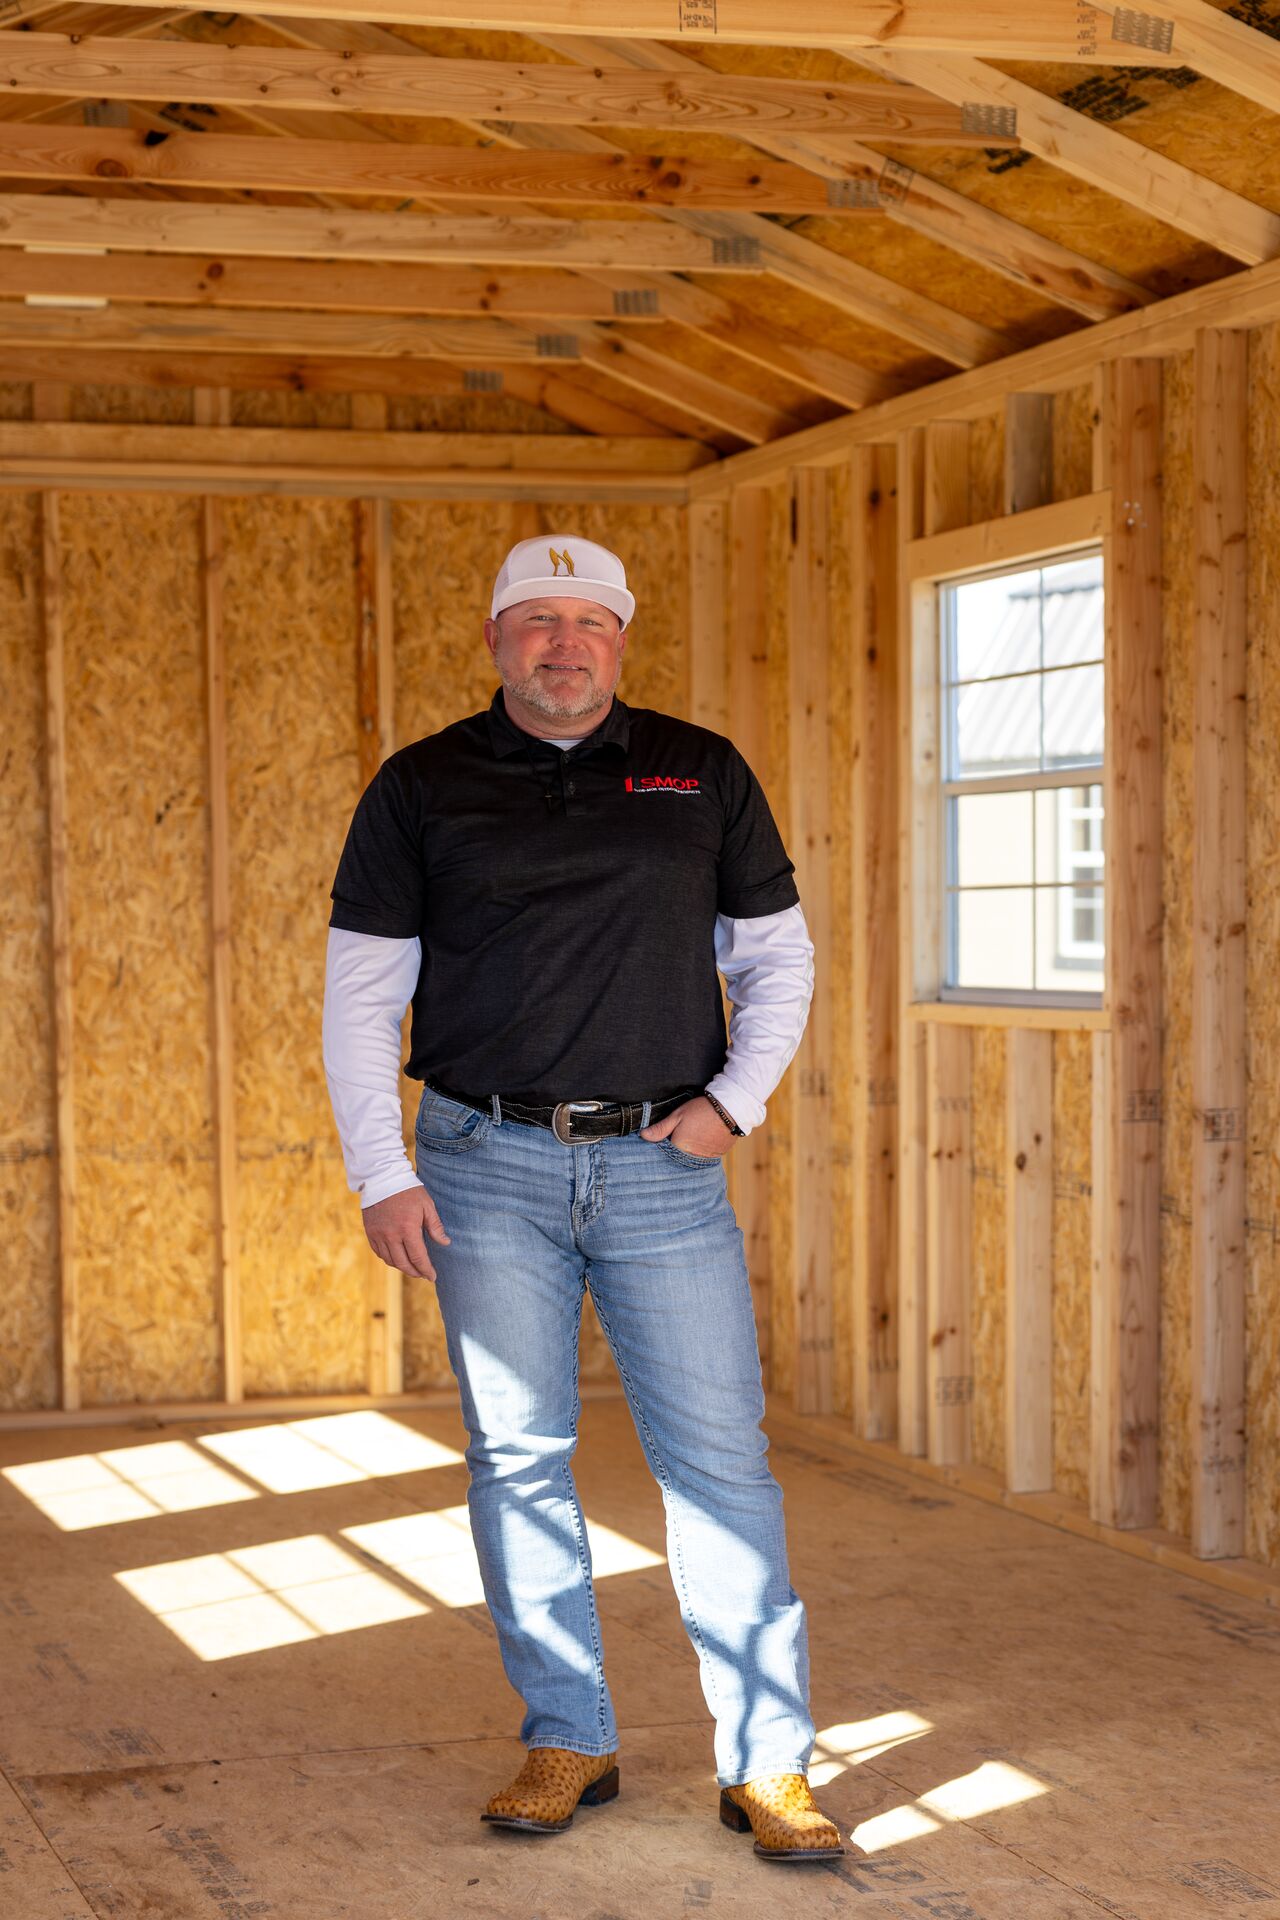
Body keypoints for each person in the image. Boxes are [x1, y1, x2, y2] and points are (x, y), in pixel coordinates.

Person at [322, 534, 843, 1862]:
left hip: (664, 1172)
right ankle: (567, 1735)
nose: (565, 645)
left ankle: (768, 1764)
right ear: (497, 639)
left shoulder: (700, 772)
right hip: (482, 1167)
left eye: (589, 622)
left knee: (721, 1466)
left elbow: (780, 964)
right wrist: (381, 1167)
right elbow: (364, 995)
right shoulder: (422, 786)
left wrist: (735, 1102)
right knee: (518, 1459)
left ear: (621, 637)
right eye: (537, 621)